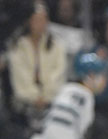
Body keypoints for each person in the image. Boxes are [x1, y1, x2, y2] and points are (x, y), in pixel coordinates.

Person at [7, 2, 67, 131]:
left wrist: (46, 96)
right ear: (29, 21)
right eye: (36, 20)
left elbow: (58, 73)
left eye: (43, 19)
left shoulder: (56, 46)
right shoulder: (18, 46)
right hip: (24, 103)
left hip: (51, 101)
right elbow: (20, 75)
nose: (40, 23)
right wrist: (35, 97)